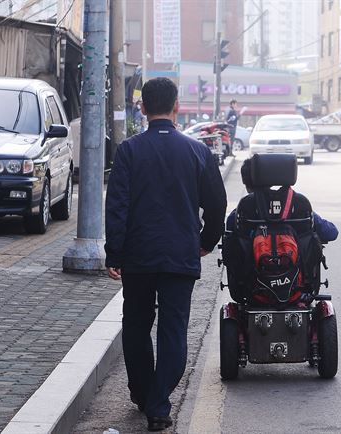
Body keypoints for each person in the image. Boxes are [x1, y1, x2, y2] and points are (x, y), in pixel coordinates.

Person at [105, 77, 227, 432]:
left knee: (136, 326)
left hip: (138, 257)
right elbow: (216, 203)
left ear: (142, 109)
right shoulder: (197, 152)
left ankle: (144, 394)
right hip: (180, 256)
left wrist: (115, 253)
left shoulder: (128, 151)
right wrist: (207, 239)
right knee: (173, 331)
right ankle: (158, 406)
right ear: (177, 107)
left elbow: (117, 207)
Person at [226, 159, 338, 243]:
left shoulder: (244, 208)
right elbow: (331, 233)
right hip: (293, 271)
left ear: (246, 183)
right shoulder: (299, 202)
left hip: (252, 271)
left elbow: (229, 232)